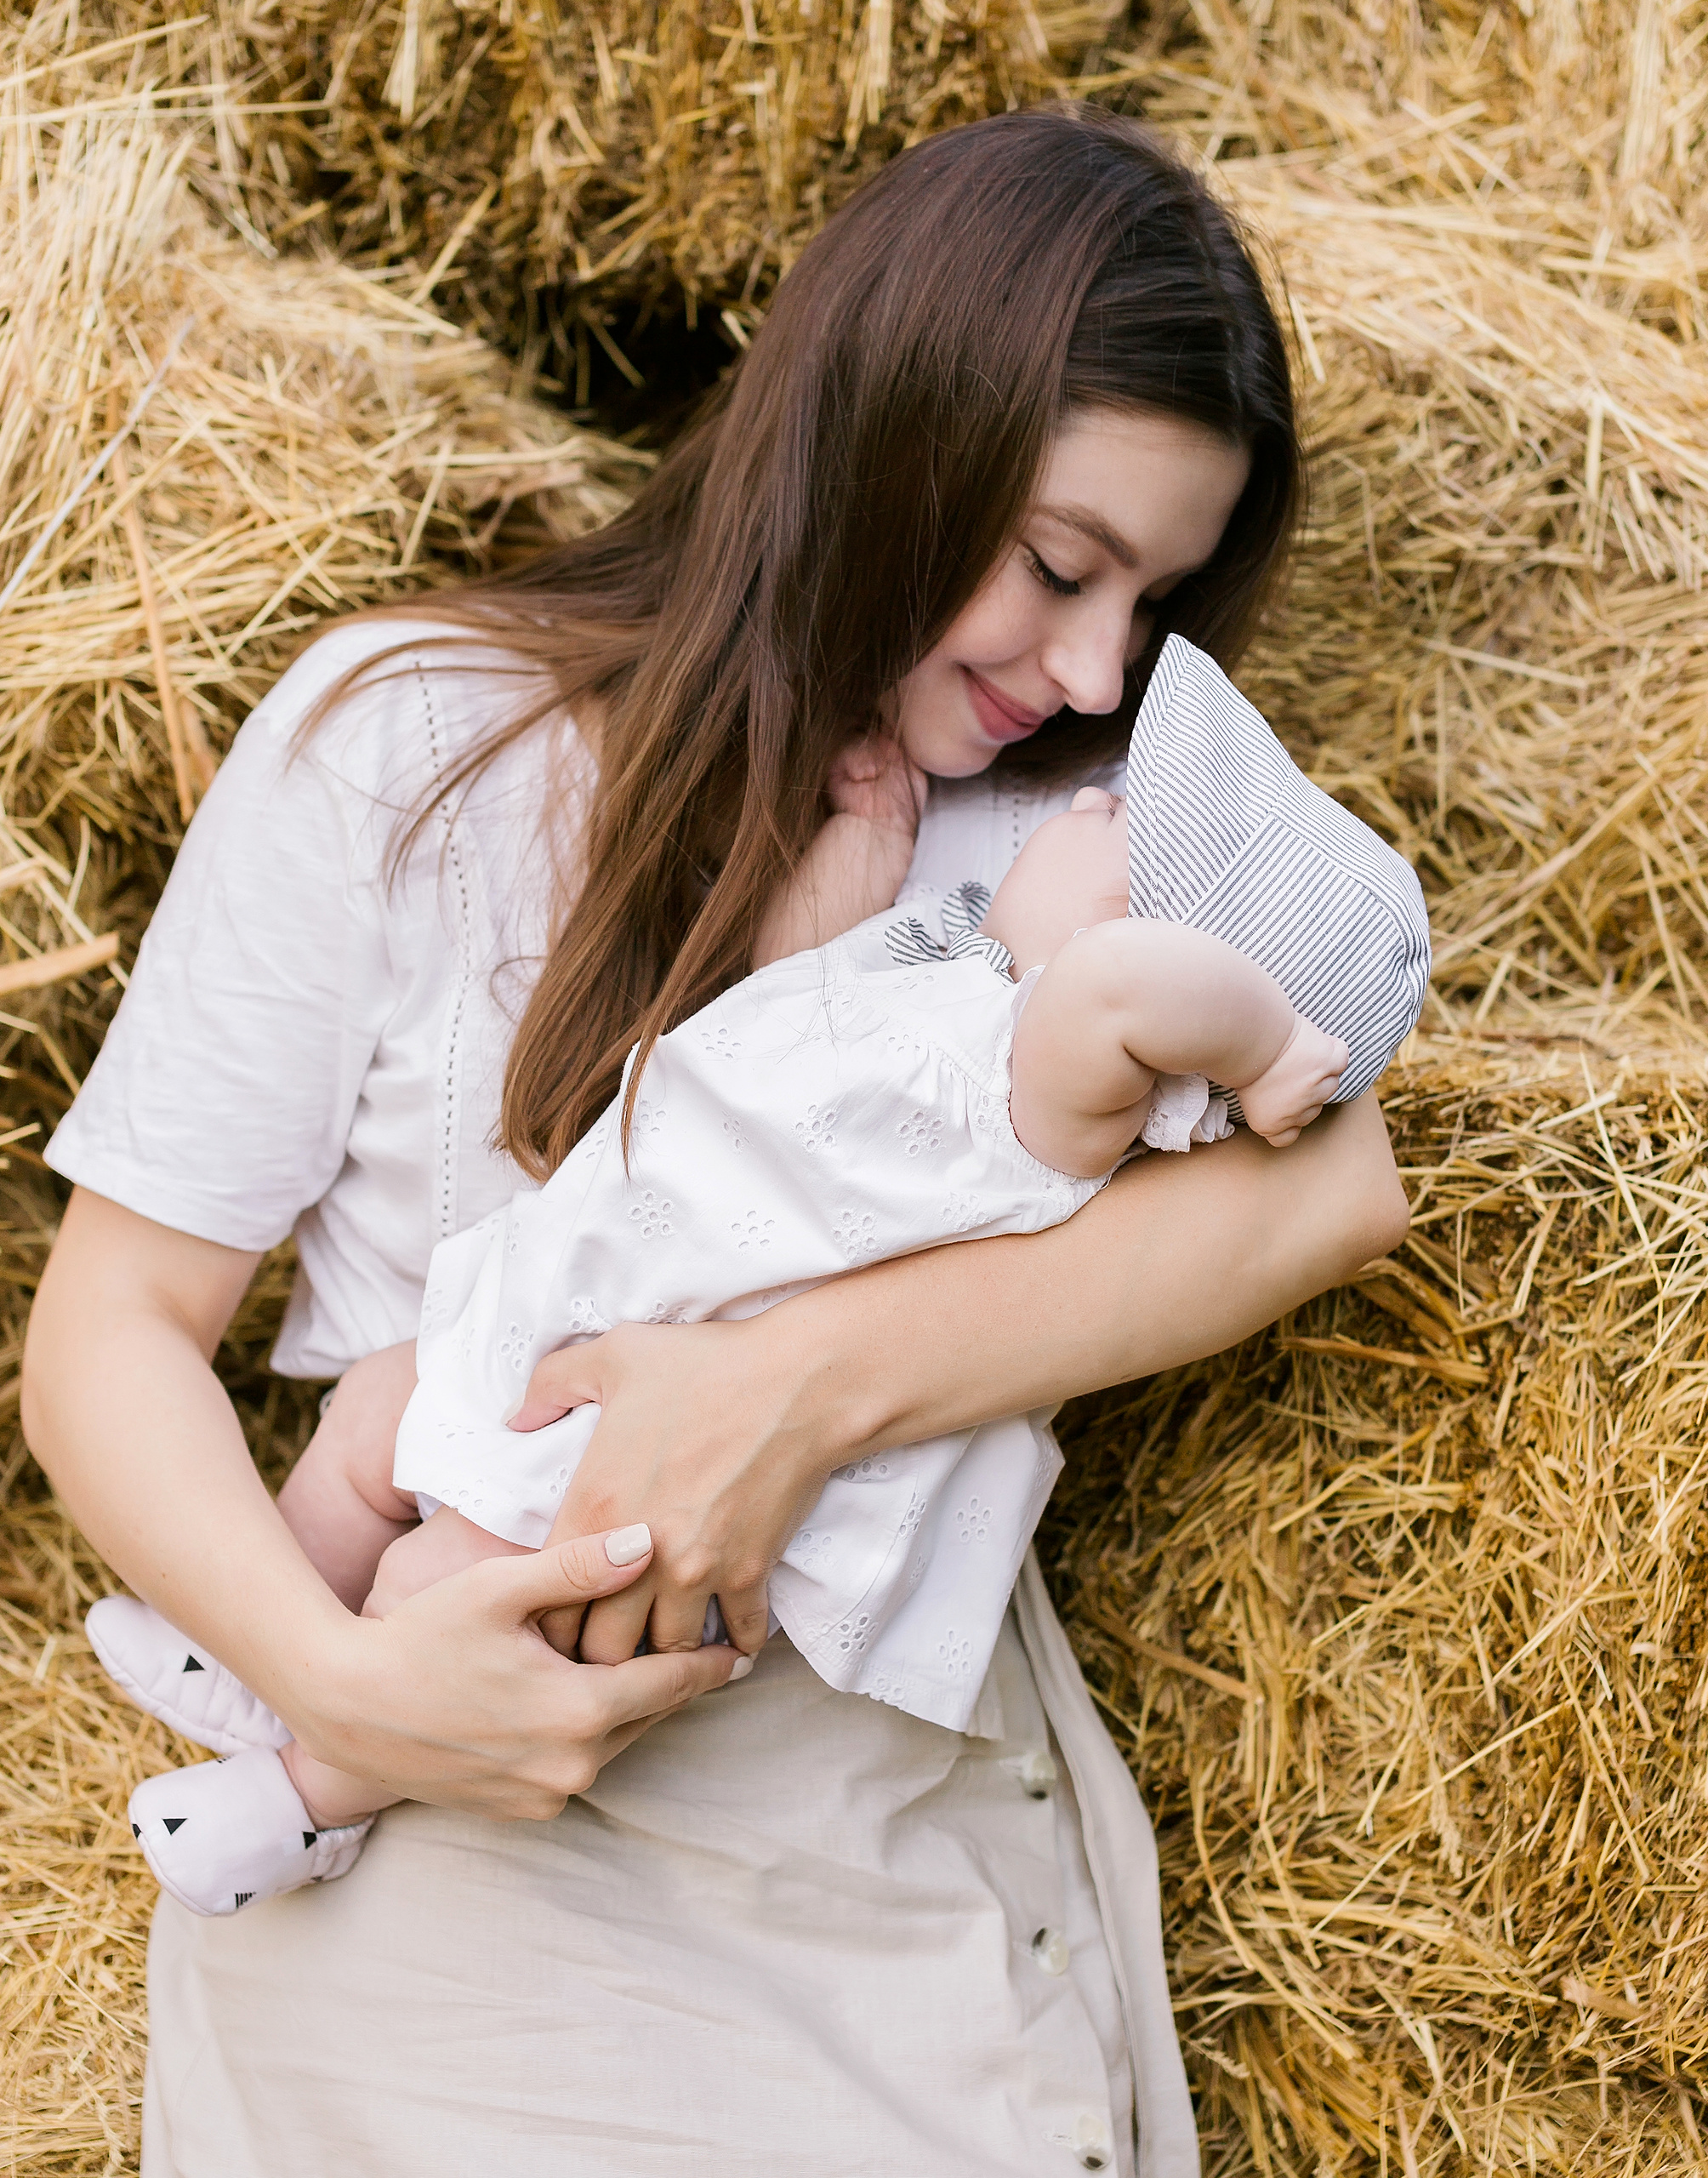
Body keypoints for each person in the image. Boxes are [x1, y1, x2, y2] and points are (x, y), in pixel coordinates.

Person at [21, 106, 1410, 2178]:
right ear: (885, 431)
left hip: (887, 1863)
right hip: (457, 1860)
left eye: (1157, 599)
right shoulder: (409, 742)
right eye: (1056, 562)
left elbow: (1336, 1187)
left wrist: (782, 1390)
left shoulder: (1085, 840)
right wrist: (339, 1682)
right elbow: (110, 1326)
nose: (1097, 663)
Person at [94, 632, 1426, 1919]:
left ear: (1150, 944)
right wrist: (856, 872)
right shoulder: (948, 979)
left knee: (455, 1587)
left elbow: (1136, 990)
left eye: (1123, 827)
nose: (1087, 795)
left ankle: (301, 1802)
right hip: (605, 1308)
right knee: (375, 1414)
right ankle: (253, 1661)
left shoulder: (1046, 1081)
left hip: (647, 1416)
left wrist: (1263, 1048)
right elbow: (782, 1032)